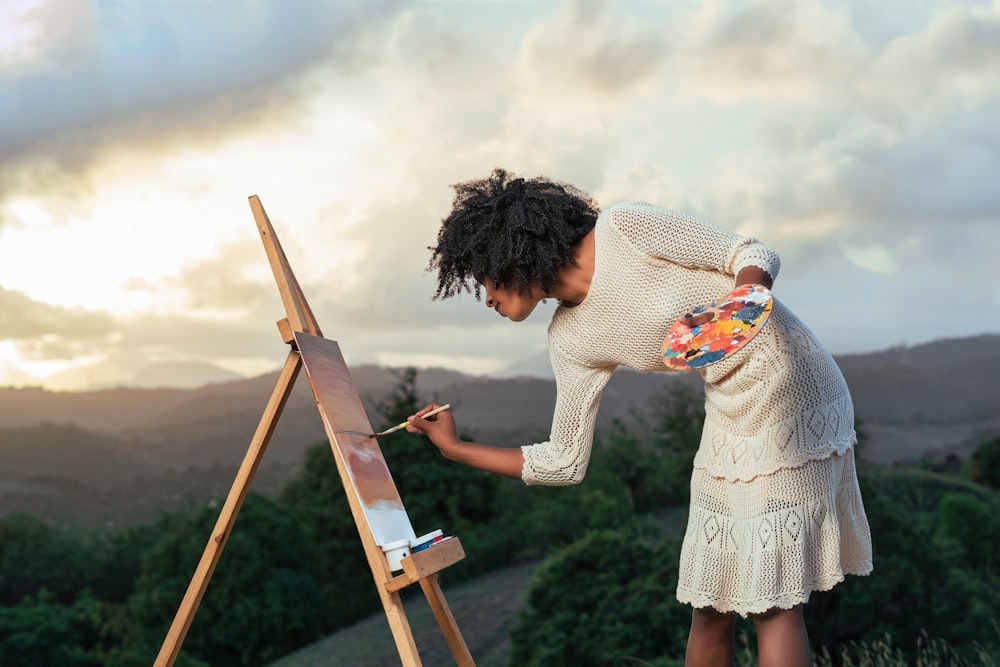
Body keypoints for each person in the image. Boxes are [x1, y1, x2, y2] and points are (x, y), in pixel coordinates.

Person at [406, 168, 873, 667]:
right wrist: (455, 448)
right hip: (730, 407)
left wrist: (740, 307)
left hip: (792, 380)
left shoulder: (624, 228)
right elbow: (564, 461)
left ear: (512, 253)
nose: (487, 297)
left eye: (485, 276)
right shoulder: (570, 338)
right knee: (710, 600)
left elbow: (753, 253)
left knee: (774, 605)